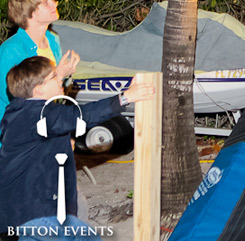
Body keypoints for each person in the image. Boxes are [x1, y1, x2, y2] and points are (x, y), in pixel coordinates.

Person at [0, 56, 154, 238]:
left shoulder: (18, 111)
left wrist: (60, 144)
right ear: (39, 90)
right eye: (54, 77)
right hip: (37, 210)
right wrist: (125, 97)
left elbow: (36, 142)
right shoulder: (40, 114)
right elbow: (81, 115)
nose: (60, 80)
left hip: (19, 211)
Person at [0, 0, 79, 144]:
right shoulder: (11, 50)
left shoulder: (52, 39)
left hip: (43, 125)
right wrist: (60, 75)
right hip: (15, 135)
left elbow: (52, 92)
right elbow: (15, 101)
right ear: (30, 12)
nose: (54, 3)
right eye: (45, 1)